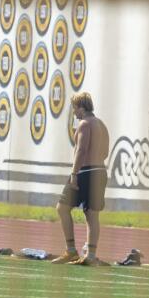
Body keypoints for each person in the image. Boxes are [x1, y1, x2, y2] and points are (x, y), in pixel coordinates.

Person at [52, 92, 110, 266]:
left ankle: (71, 251)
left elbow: (81, 150)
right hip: (100, 172)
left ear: (81, 107)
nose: (74, 113)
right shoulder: (101, 124)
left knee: (62, 208)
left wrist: (74, 174)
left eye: (74, 109)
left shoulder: (84, 124)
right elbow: (106, 152)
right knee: (92, 215)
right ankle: (91, 255)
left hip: (85, 172)